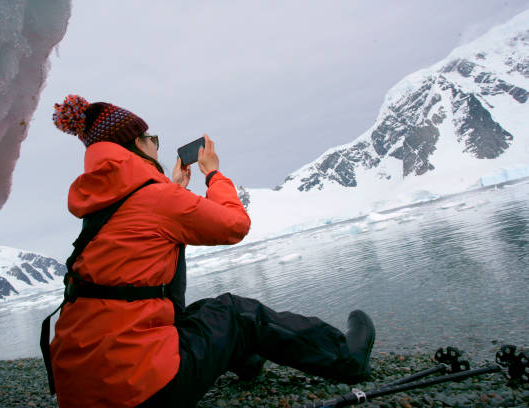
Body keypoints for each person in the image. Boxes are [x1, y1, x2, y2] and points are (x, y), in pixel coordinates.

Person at [48, 95, 375, 408]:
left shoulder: (104, 206)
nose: (156, 146)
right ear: (137, 144)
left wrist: (173, 189)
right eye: (152, 139)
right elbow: (235, 224)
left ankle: (247, 359)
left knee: (201, 313)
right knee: (237, 313)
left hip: (81, 393)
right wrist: (213, 174)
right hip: (138, 394)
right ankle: (347, 357)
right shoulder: (156, 199)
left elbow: (147, 244)